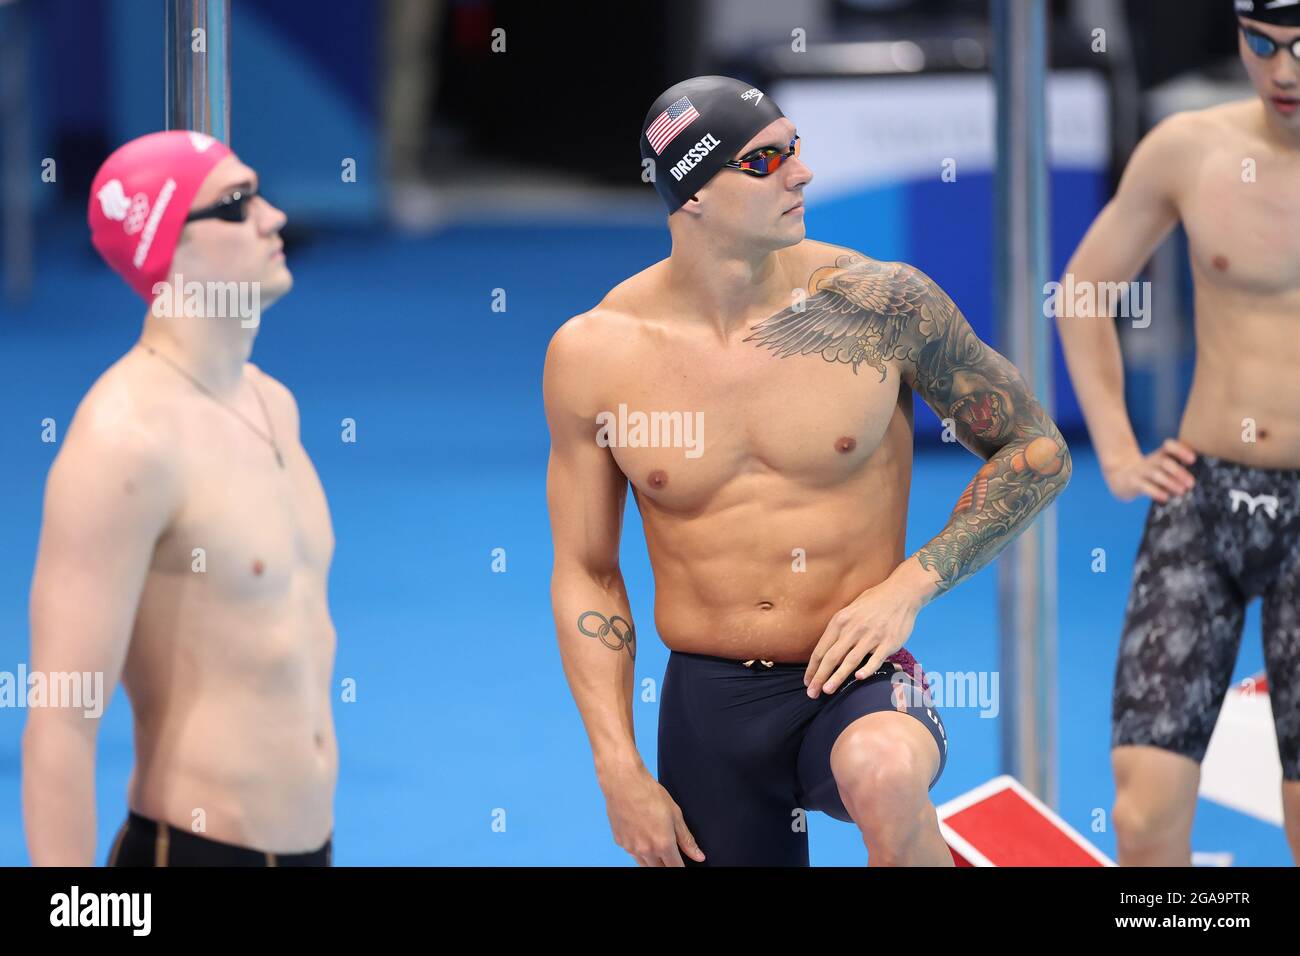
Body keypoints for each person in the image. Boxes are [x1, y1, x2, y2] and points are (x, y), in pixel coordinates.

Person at [544, 76, 1072, 866]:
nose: (802, 172)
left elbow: (1037, 452)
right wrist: (617, 769)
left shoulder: (880, 304)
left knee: (884, 773)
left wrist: (910, 585)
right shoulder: (596, 354)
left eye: (796, 148)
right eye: (764, 161)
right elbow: (587, 572)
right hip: (710, 701)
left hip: (858, 678)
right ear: (690, 193)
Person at [22, 131, 338, 866]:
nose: (274, 217)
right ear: (166, 250)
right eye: (235, 206)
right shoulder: (124, 442)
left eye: (258, 193)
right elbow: (61, 726)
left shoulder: (273, 404)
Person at [1056, 1, 1300, 865]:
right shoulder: (1189, 150)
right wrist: (1118, 451)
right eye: (1262, 46)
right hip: (1204, 500)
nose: (1282, 74)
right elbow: (1083, 291)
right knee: (1142, 814)